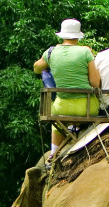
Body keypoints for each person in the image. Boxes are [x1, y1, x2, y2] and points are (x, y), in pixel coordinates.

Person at [33, 18, 102, 157]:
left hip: (62, 107)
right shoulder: (85, 52)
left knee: (56, 123)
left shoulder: (51, 52)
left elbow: (36, 69)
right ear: (78, 36)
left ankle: (52, 156)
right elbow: (95, 83)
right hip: (87, 107)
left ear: (62, 35)